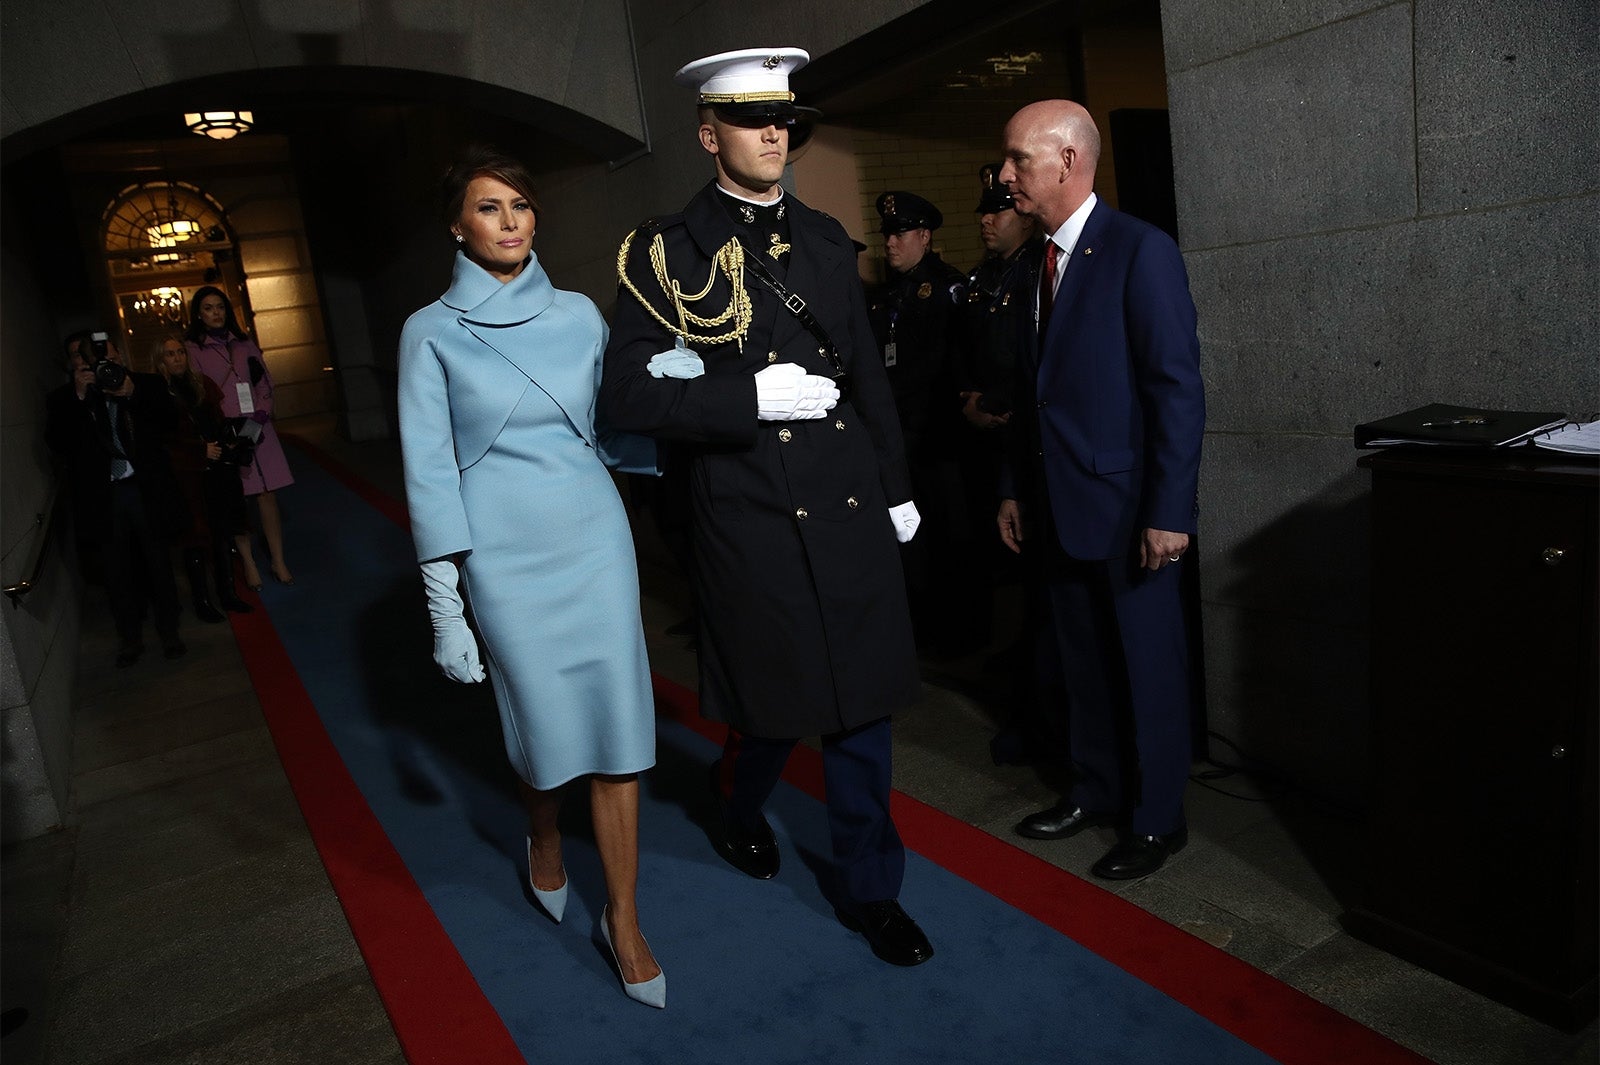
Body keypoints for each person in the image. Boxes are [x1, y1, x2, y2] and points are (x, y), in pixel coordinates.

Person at [602, 47, 934, 968]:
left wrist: (898, 490)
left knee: (863, 708)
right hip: (746, 510)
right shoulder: (670, 248)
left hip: (846, 498)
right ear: (710, 135)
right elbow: (625, 396)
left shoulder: (827, 239)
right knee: (776, 706)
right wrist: (742, 400)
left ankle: (874, 888)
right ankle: (737, 799)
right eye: (752, 120)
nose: (773, 133)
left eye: (783, 119)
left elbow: (867, 376)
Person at [397, 146, 665, 1008]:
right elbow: (430, 475)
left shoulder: (584, 316)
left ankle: (622, 916)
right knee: (546, 729)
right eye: (488, 207)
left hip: (594, 538)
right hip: (504, 557)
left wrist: (663, 396)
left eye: (520, 205)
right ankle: (542, 832)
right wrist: (447, 609)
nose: (511, 222)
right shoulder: (429, 331)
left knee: (619, 729)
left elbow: (611, 443)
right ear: (456, 224)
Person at [997, 100, 1205, 880]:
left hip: (1130, 514)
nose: (1007, 174)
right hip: (1056, 506)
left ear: (1068, 162)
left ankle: (1157, 821)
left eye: (1019, 159)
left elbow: (1176, 392)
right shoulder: (1032, 264)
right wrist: (1015, 486)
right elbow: (1032, 393)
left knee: (1147, 668)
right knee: (1079, 663)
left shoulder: (1139, 252)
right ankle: (1094, 787)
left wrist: (1168, 511)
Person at [959, 164, 1044, 765]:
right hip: (988, 448)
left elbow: (1029, 365)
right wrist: (968, 401)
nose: (989, 220)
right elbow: (971, 352)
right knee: (1001, 580)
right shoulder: (986, 276)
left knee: (1034, 594)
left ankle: (1036, 716)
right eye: (984, 212)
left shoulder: (1039, 270)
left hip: (1025, 442)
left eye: (1000, 209)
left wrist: (998, 408)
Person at [868, 191, 977, 657]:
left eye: (899, 234)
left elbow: (943, 364)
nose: (890, 243)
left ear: (925, 237)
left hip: (939, 434)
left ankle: (959, 634)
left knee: (952, 533)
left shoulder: (946, 288)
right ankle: (924, 627)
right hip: (902, 436)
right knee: (913, 538)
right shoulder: (887, 294)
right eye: (887, 234)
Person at [44, 331, 186, 667]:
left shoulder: (145, 384)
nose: (97, 364)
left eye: (104, 356)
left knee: (159, 566)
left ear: (118, 355)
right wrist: (80, 398)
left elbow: (171, 423)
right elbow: (59, 444)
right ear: (75, 365)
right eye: (84, 358)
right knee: (116, 572)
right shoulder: (64, 399)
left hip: (144, 490)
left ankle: (170, 632)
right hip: (104, 498)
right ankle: (130, 638)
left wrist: (132, 394)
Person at [184, 286, 295, 589]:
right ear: (198, 314)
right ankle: (248, 562)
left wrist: (261, 414)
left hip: (258, 427)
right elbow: (197, 395)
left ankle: (278, 559)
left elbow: (265, 382)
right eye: (208, 308)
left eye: (220, 306)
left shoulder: (244, 343)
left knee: (267, 494)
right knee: (236, 498)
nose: (215, 313)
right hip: (227, 431)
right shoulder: (193, 349)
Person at [153, 332, 254, 622]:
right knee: (196, 539)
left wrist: (229, 442)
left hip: (218, 471)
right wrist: (199, 451)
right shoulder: (159, 393)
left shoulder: (201, 385)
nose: (177, 358)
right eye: (170, 354)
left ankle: (229, 595)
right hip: (187, 478)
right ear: (160, 359)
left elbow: (218, 421)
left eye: (180, 352)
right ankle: (202, 602)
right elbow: (163, 441)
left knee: (223, 534)